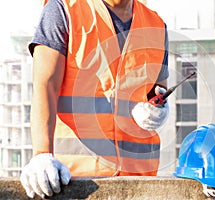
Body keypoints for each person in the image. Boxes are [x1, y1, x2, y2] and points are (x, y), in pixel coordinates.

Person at [20, 0, 169, 198]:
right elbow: (45, 86)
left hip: (139, 182)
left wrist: (157, 109)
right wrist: (42, 154)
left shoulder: (156, 25)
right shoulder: (64, 11)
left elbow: (158, 89)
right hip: (74, 181)